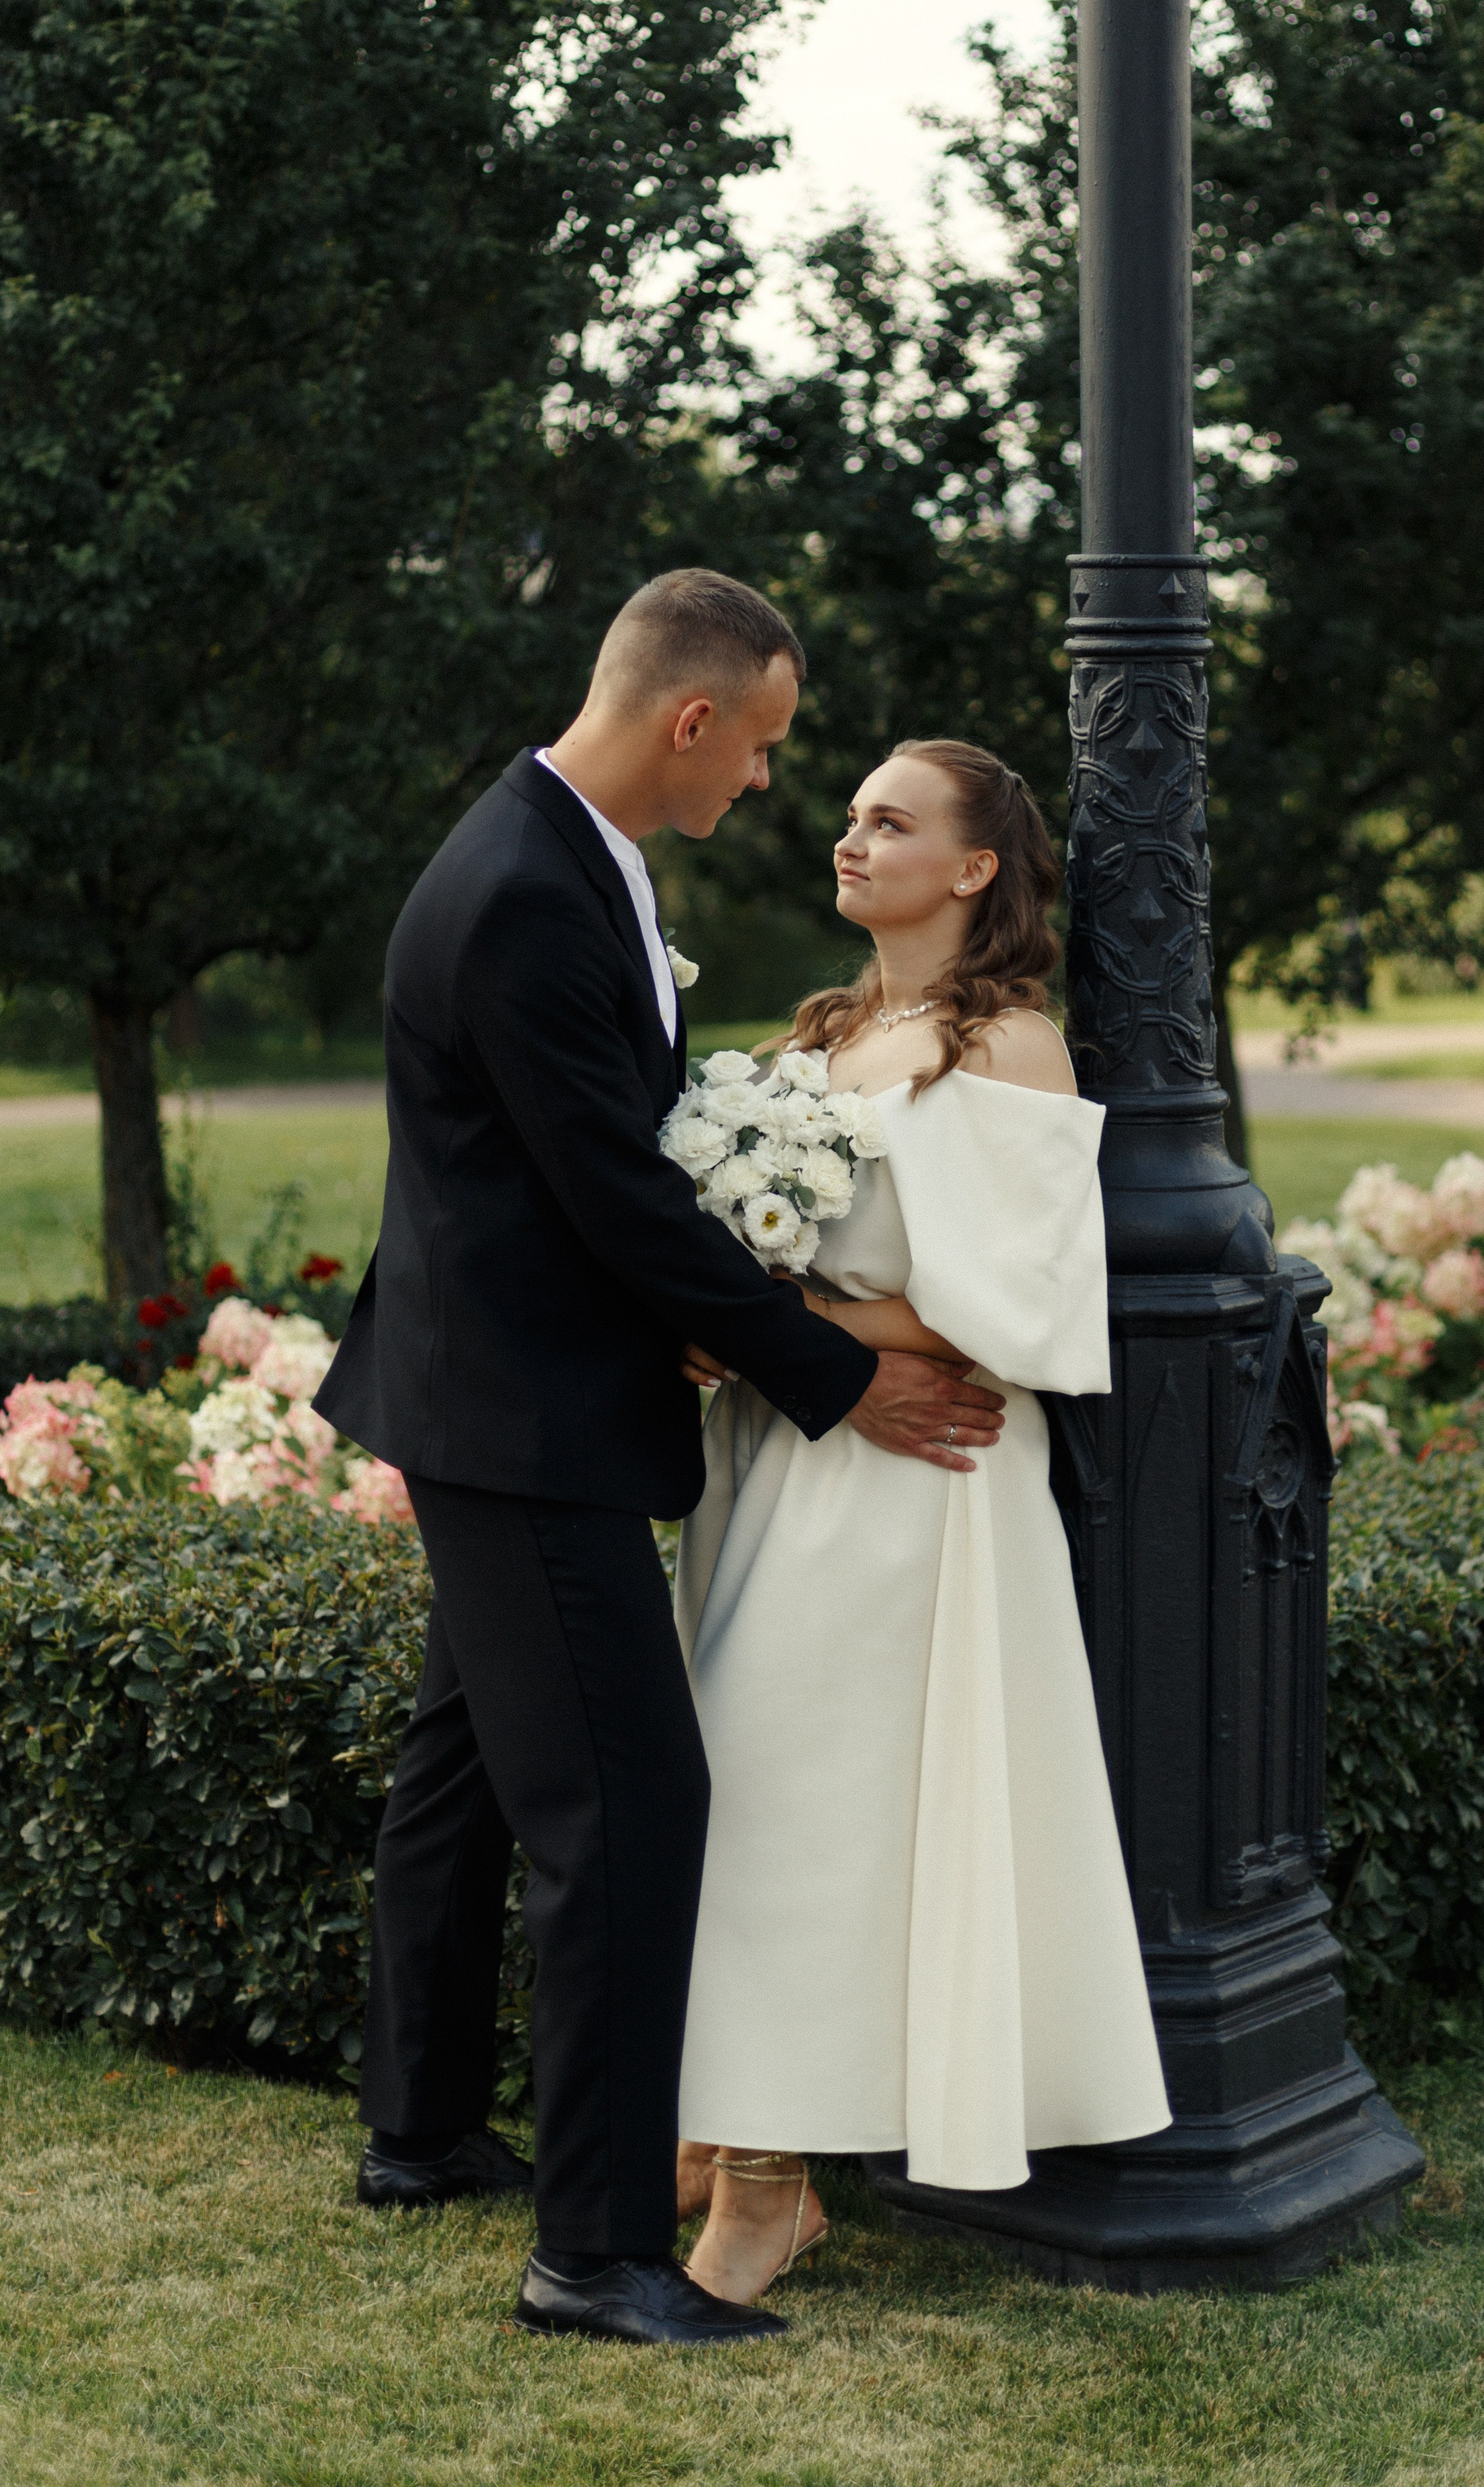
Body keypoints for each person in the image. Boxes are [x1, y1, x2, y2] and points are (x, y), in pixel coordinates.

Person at [315, 574, 1006, 2349]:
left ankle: (412, 2130)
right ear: (688, 720)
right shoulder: (529, 894)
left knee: (462, 1769)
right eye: (765, 746)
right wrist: (828, 1379)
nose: (769, 784)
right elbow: (616, 1196)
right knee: (624, 1813)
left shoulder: (558, 849)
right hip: (525, 1419)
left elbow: (613, 1157)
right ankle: (596, 2249)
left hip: (484, 1388)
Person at [671, 739, 1171, 2306]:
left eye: (894, 821)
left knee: (800, 1808)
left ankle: (762, 2192)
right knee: (746, 1801)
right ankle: (740, 2138)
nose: (852, 835)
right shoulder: (819, 1038)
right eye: (851, 813)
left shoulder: (1009, 1047)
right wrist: (726, 1318)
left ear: (973, 869)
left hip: (922, 1490)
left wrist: (780, 1310)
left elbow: (1009, 1313)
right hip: (784, 1469)